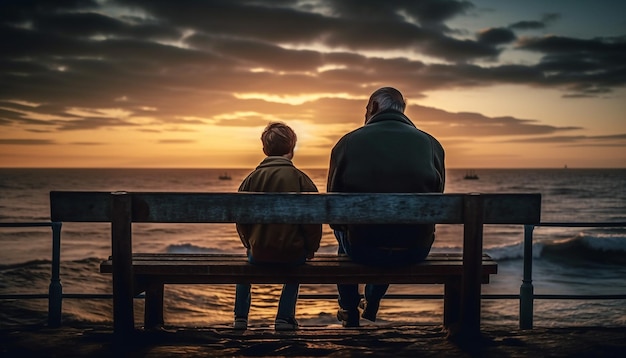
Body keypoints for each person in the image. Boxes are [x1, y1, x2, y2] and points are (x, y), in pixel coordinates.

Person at [327, 87, 445, 327]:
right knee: (397, 230)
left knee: (347, 232)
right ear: (402, 110)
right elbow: (437, 200)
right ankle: (372, 304)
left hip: (361, 249)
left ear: (372, 108)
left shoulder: (348, 142)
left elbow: (333, 209)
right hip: (415, 249)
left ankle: (349, 308)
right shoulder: (431, 144)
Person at [234, 121, 322, 331]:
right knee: (295, 270)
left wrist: (249, 243)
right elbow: (313, 221)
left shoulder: (251, 179)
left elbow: (241, 218)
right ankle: (284, 317)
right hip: (293, 254)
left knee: (244, 268)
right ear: (292, 148)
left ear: (265, 149)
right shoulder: (301, 179)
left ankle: (240, 318)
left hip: (259, 254)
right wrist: (311, 248)